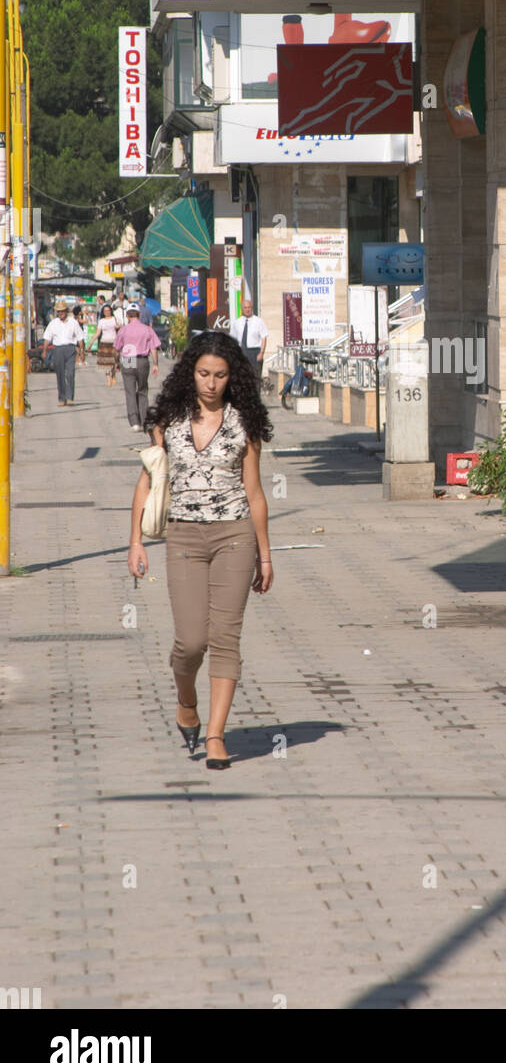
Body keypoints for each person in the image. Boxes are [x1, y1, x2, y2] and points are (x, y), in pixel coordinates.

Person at [126, 331, 274, 771]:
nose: (211, 383)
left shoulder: (243, 423)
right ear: (191, 373)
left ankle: (215, 735)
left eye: (220, 375)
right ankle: (186, 702)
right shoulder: (168, 420)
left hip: (235, 536)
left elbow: (256, 493)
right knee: (190, 642)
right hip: (184, 538)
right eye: (204, 373)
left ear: (233, 377)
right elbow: (148, 482)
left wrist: (265, 556)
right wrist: (135, 540)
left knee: (225, 637)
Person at [114, 303, 160, 431]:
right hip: (142, 359)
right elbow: (153, 348)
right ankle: (145, 419)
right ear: (139, 315)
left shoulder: (123, 330)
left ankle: (134, 421)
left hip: (128, 358)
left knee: (130, 390)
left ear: (127, 315)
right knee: (142, 390)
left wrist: (117, 363)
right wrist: (156, 363)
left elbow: (117, 349)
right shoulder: (147, 329)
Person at [42, 299, 85, 406]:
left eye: (62, 311)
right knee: (60, 374)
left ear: (66, 311)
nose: (60, 313)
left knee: (70, 374)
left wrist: (82, 352)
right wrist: (44, 350)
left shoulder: (73, 322)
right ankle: (62, 398)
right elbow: (47, 337)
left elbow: (80, 337)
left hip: (70, 349)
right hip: (58, 350)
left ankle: (70, 397)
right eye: (59, 311)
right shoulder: (53, 323)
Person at [229, 299, 268, 383]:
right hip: (241, 352)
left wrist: (261, 353)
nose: (247, 309)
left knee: (255, 378)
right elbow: (232, 339)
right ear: (242, 309)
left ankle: (256, 395)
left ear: (252, 308)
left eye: (249, 307)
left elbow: (264, 337)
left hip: (254, 352)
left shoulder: (258, 321)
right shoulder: (237, 322)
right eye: (245, 307)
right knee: (241, 377)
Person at [93, 302, 119, 386]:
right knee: (105, 363)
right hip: (104, 342)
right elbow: (98, 333)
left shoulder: (115, 319)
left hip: (114, 342)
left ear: (111, 311)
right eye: (105, 311)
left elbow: (120, 327)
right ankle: (108, 378)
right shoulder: (101, 321)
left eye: (108, 310)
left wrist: (119, 327)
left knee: (114, 361)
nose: (107, 312)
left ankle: (114, 375)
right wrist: (91, 343)